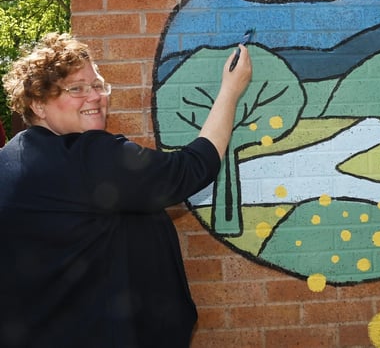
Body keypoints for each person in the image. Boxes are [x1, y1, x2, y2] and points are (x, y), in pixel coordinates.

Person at [0, 32, 252, 348]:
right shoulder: (88, 157)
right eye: (76, 89)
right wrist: (230, 91)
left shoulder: (8, 162)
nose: (93, 96)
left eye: (97, 85)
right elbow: (191, 169)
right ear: (37, 103)